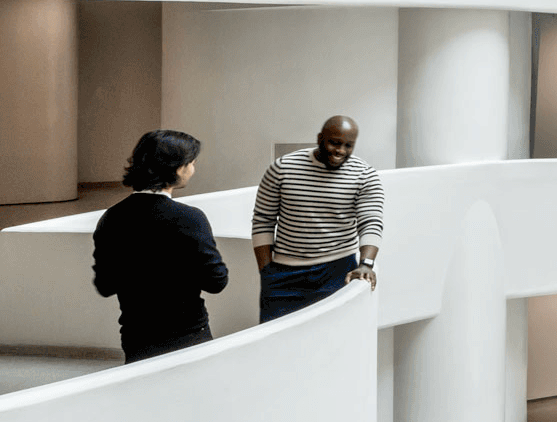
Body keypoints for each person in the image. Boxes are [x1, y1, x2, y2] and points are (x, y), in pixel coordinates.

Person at [91, 130, 228, 363]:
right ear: (178, 168)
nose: (193, 169)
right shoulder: (190, 218)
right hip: (188, 335)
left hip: (136, 337)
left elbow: (105, 285)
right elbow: (216, 281)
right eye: (191, 163)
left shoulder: (112, 218)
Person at [251, 116, 383, 323]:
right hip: (284, 272)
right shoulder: (282, 168)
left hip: (339, 270)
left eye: (348, 145)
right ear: (320, 138)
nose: (340, 151)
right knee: (276, 338)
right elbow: (263, 220)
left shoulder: (364, 175)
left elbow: (371, 222)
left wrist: (366, 264)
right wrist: (266, 271)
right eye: (335, 143)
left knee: (335, 336)